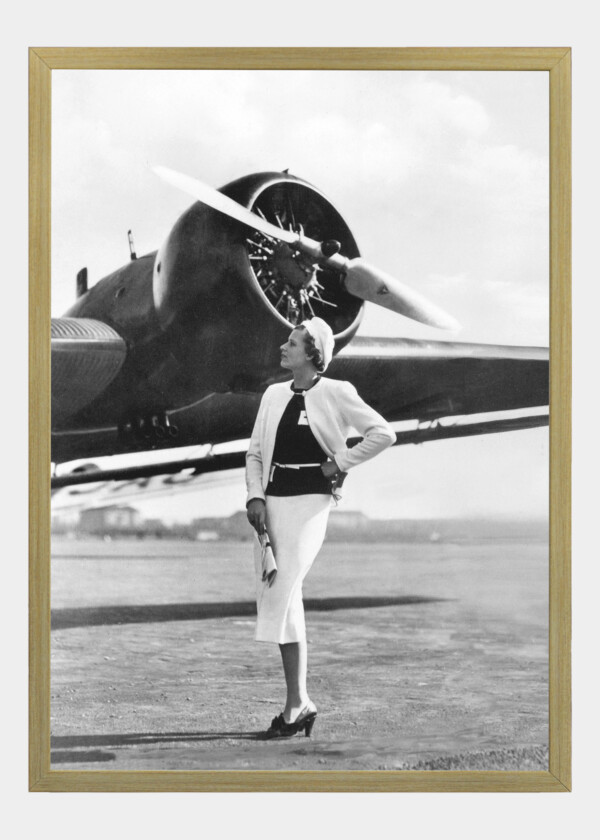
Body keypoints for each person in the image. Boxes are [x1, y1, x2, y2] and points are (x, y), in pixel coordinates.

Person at [245, 317, 395, 739]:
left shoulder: (337, 392)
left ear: (313, 353)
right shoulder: (273, 394)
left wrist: (340, 461)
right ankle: (298, 704)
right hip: (272, 502)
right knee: (286, 599)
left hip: (311, 502)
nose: (283, 346)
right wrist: (254, 497)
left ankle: (298, 703)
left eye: (292, 342)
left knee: (285, 588)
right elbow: (255, 453)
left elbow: (383, 433)